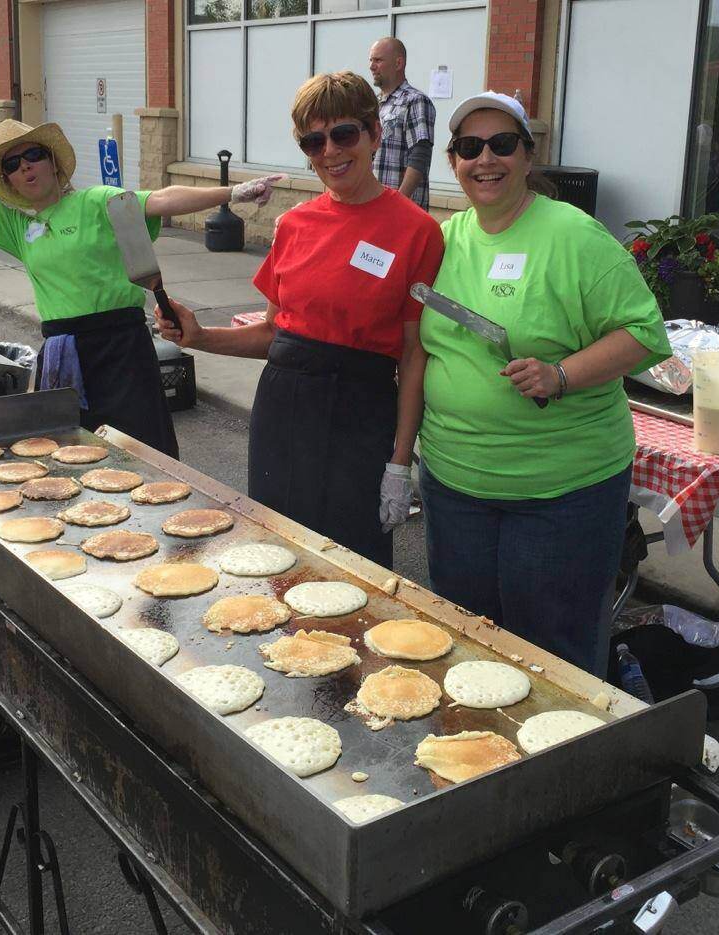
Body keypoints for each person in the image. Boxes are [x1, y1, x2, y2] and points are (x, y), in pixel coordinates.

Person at [0, 73, 282, 459]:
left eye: (34, 155)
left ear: (53, 162)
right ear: (7, 181)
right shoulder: (15, 227)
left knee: (144, 456)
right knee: (69, 456)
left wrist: (233, 192)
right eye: (13, 163)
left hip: (123, 348)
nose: (26, 166)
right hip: (64, 355)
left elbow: (160, 199)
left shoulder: (96, 201)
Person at [414, 92, 671, 675]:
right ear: (452, 160)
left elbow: (646, 333)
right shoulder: (445, 239)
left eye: (502, 144)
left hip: (559, 493)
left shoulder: (573, 235)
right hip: (455, 485)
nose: (486, 159)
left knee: (552, 654)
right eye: (469, 147)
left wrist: (561, 374)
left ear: (529, 156)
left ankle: (566, 762)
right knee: (466, 641)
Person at [157, 72, 444, 567]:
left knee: (353, 566)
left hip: (361, 412)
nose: (330, 151)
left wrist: (400, 461)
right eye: (313, 141)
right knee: (278, 553)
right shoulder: (294, 224)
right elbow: (274, 334)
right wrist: (200, 336)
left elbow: (414, 355)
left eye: (344, 134)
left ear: (375, 134)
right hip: (284, 410)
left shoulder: (418, 231)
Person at [368, 37, 436, 211]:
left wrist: (399, 202)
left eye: (378, 60)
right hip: (375, 206)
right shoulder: (375, 105)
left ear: (398, 63)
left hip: (403, 212)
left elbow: (420, 155)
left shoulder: (415, 101)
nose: (371, 66)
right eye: (371, 60)